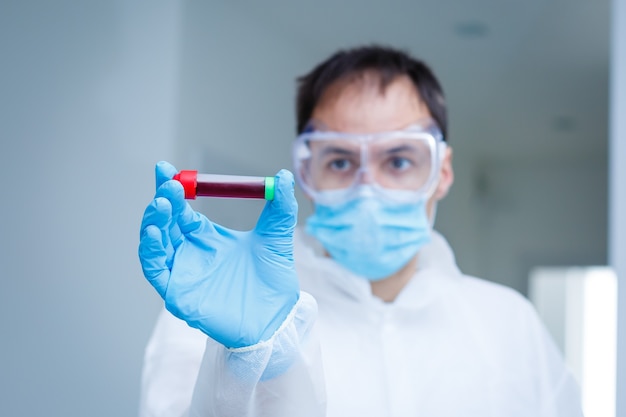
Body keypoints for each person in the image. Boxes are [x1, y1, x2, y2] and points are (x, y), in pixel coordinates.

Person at [138, 45, 583, 417]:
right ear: (304, 172)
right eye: (339, 161)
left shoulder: (510, 324)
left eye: (399, 160)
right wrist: (245, 359)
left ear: (442, 172)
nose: (368, 187)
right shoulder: (218, 312)